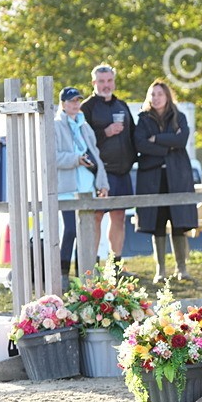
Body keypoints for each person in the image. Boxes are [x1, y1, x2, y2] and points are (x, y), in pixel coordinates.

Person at [133, 80, 198, 283]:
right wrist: (168, 144)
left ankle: (182, 269)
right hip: (153, 177)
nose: (156, 98)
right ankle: (160, 271)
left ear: (167, 96)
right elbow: (140, 144)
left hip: (177, 175)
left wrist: (156, 139)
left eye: (160, 94)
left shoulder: (179, 116)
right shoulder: (143, 119)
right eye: (153, 94)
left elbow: (181, 140)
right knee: (157, 222)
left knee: (179, 220)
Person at [80, 63, 136, 275]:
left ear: (114, 82)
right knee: (96, 217)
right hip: (99, 173)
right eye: (101, 81)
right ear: (93, 83)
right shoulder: (86, 107)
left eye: (109, 81)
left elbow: (133, 135)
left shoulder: (122, 105)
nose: (106, 85)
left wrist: (132, 159)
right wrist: (106, 132)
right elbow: (82, 140)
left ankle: (115, 267)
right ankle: (92, 267)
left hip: (122, 172)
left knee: (119, 216)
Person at [55, 87, 109, 280]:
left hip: (87, 188)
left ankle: (84, 277)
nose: (75, 104)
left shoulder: (85, 126)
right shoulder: (55, 126)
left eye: (78, 100)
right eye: (71, 101)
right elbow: (52, 158)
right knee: (71, 230)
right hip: (67, 189)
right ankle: (62, 275)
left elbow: (96, 157)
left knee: (86, 234)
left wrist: (103, 183)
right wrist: (76, 159)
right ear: (63, 104)